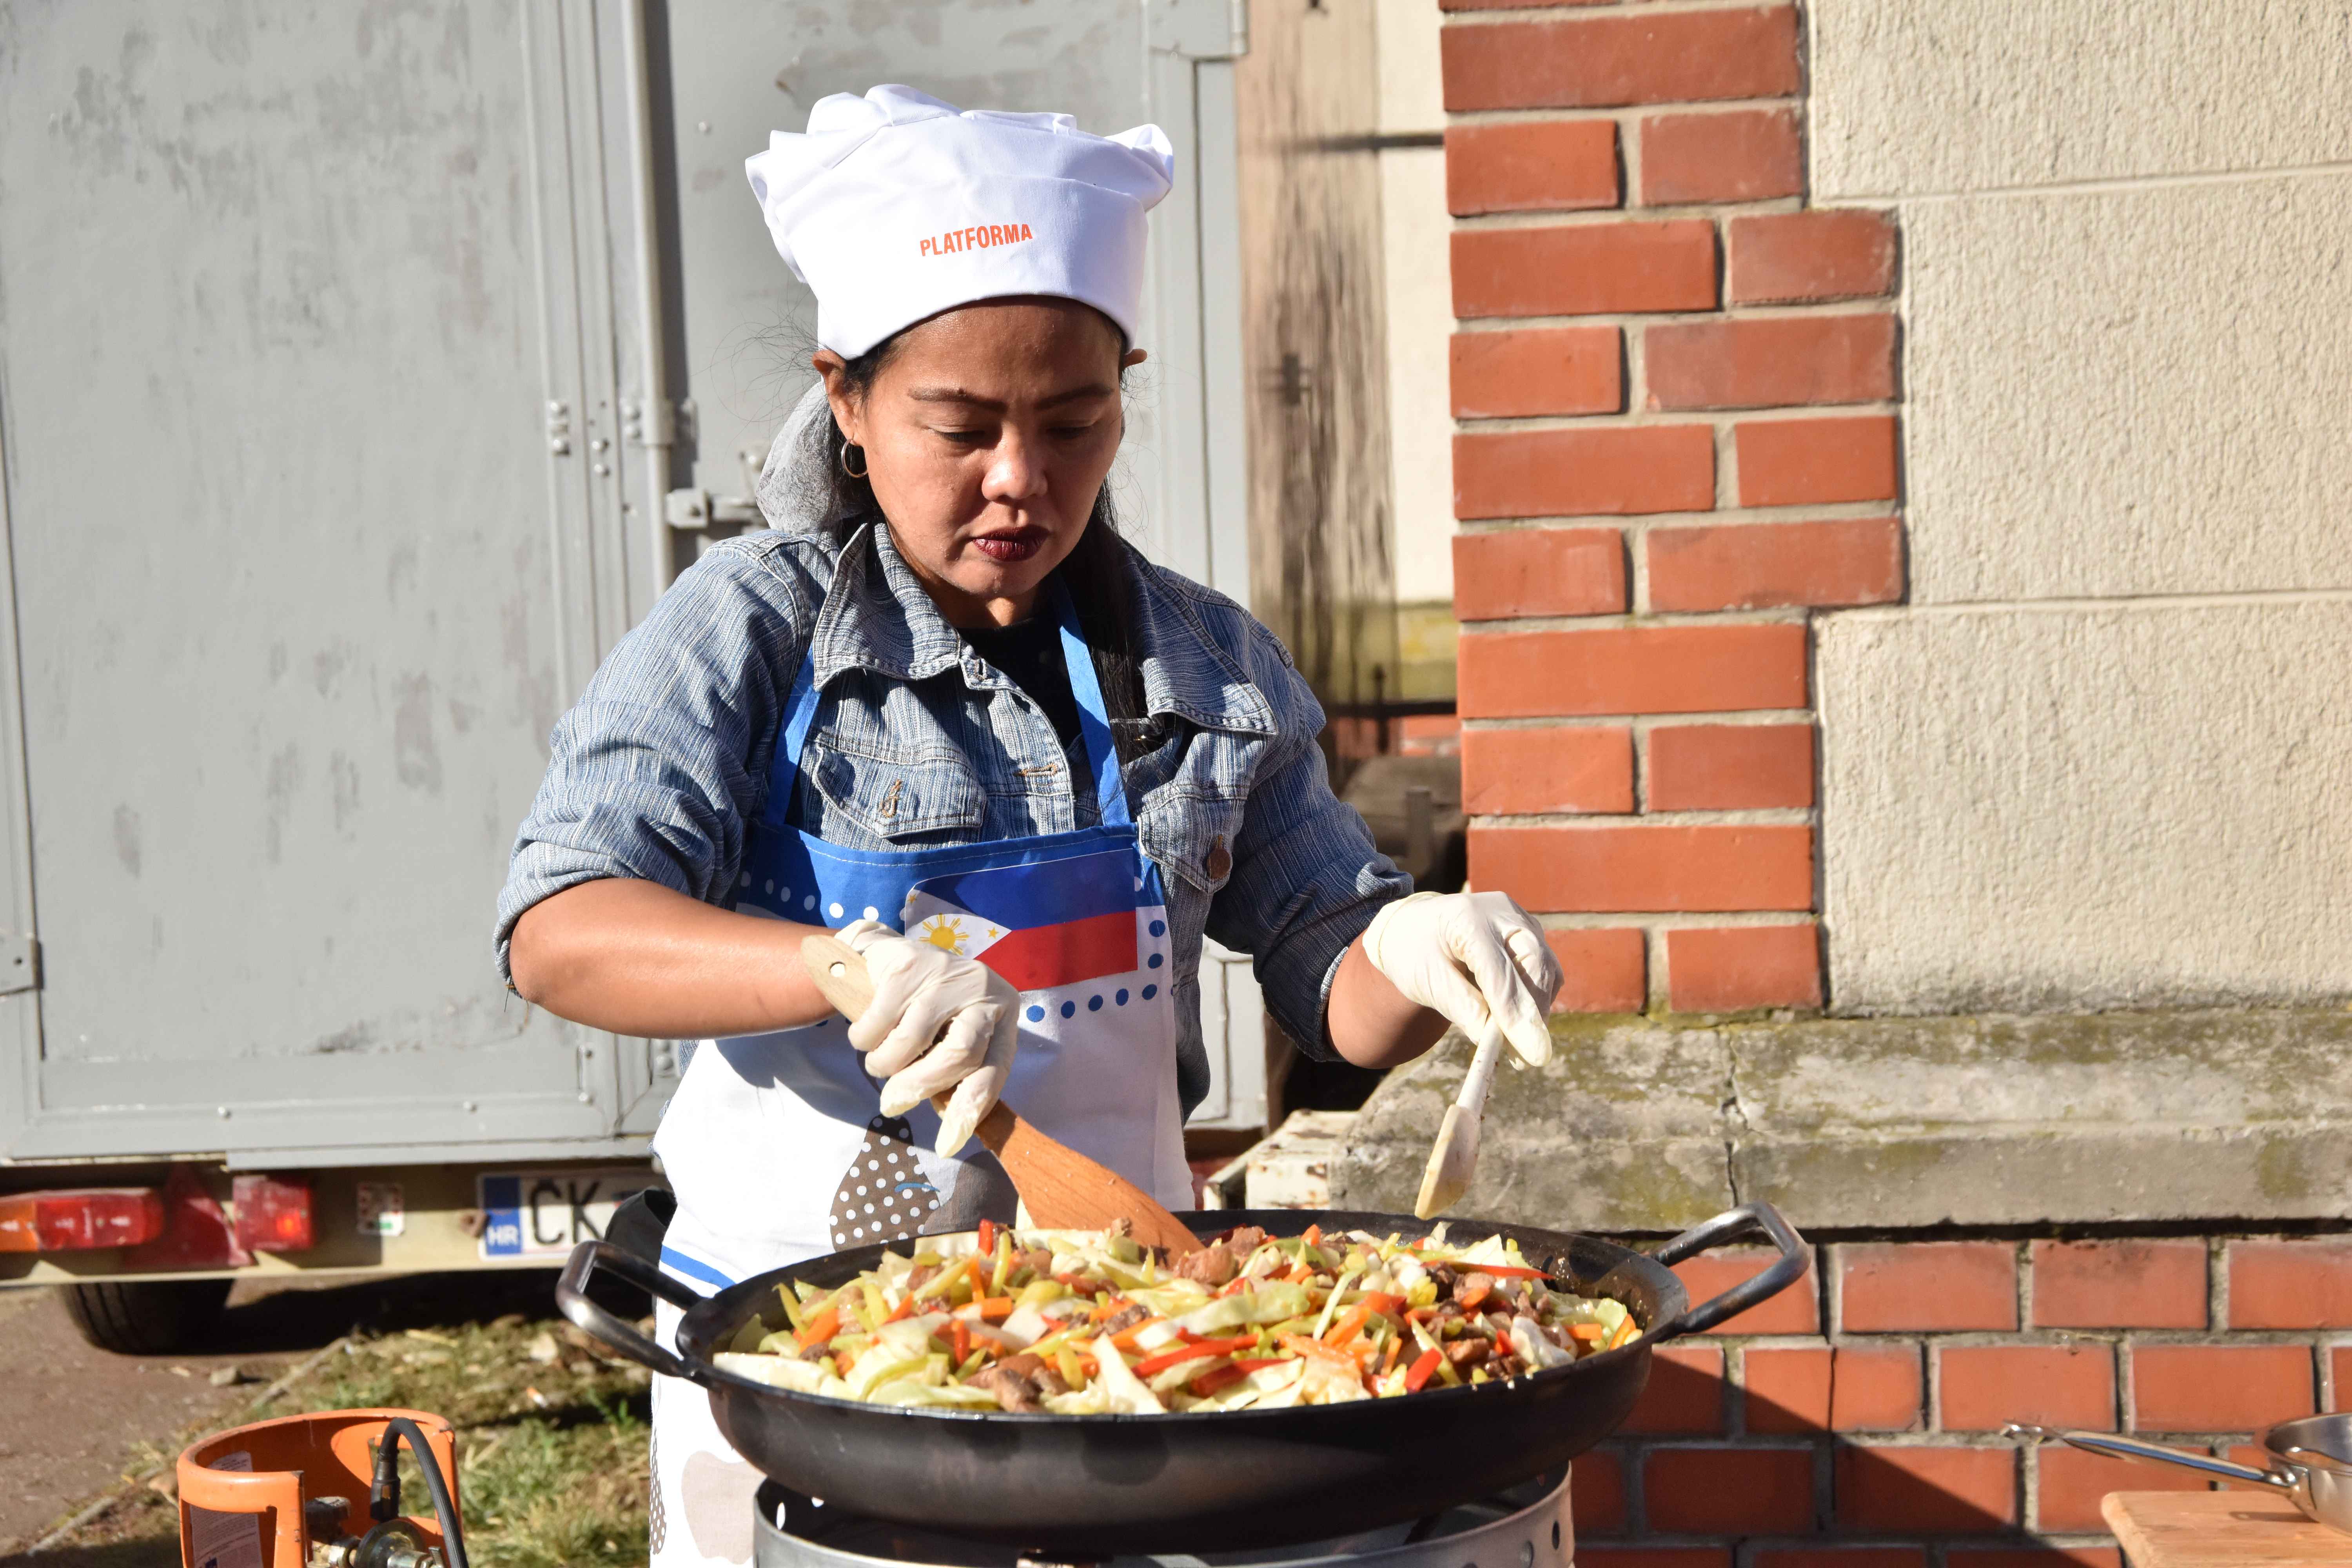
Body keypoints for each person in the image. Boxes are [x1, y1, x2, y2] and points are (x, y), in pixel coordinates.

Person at [495, 85, 1563, 1568]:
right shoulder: (748, 631)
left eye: (1072, 424)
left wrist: (1415, 944)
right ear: (849, 403)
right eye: (960, 426)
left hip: (1136, 1353)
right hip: (818, 1367)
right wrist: (838, 967)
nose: (1019, 478)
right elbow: (560, 929)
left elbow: (1334, 992)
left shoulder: (1208, 666)